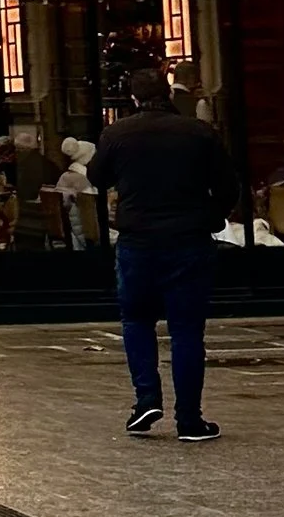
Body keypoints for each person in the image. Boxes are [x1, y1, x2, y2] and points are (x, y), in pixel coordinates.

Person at [89, 66, 236, 442]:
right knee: (186, 329)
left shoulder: (117, 133)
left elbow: (97, 176)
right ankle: (189, 418)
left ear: (134, 98)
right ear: (168, 94)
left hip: (138, 240)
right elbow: (226, 184)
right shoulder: (199, 133)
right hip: (188, 239)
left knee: (136, 320)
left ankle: (146, 400)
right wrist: (213, 216)